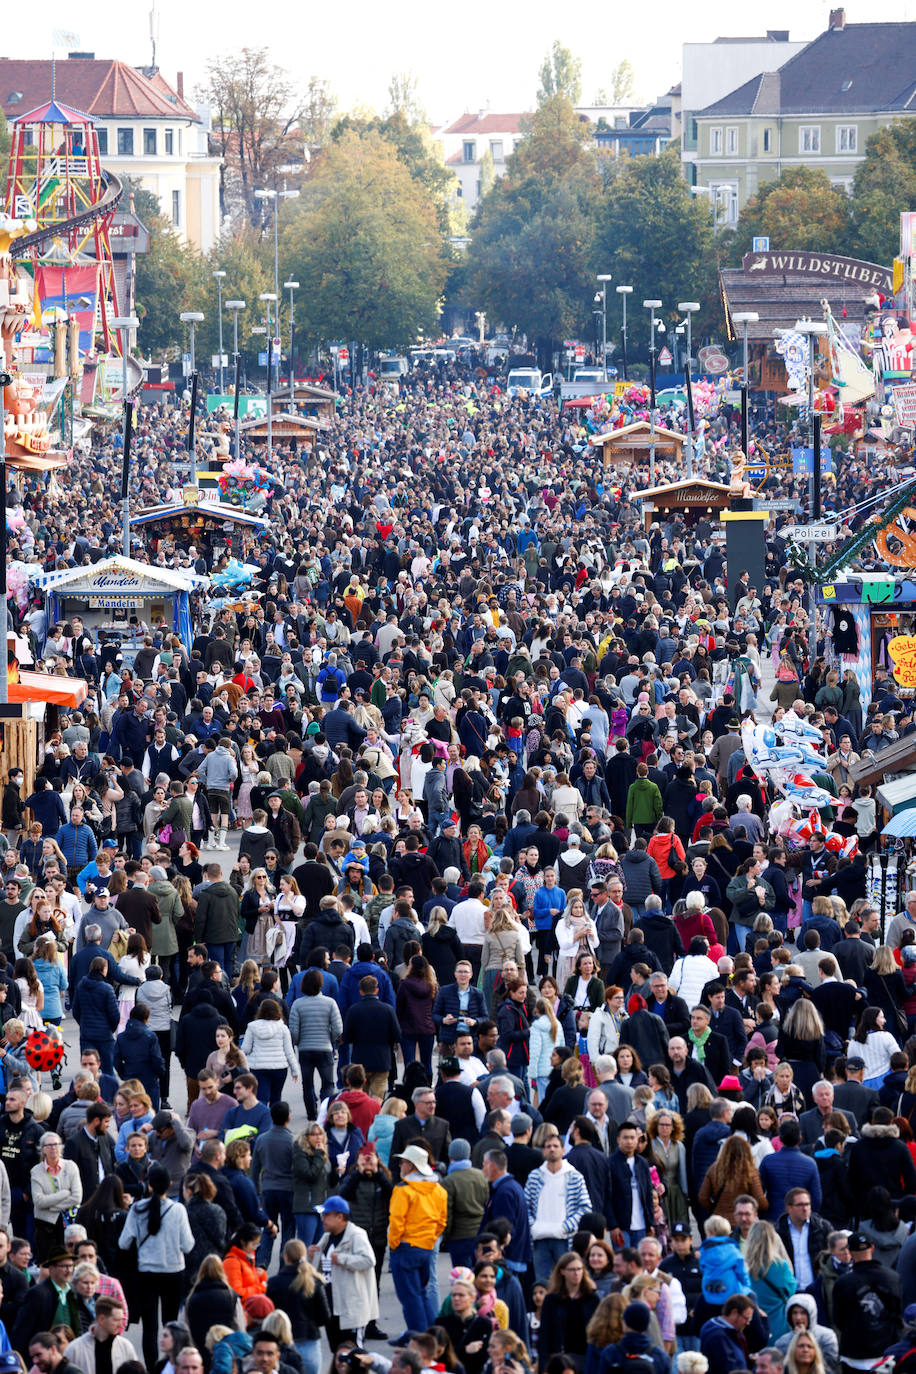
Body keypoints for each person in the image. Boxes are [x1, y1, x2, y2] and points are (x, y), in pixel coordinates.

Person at [117, 1163, 194, 1367]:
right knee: (171, 1324)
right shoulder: (178, 1210)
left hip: (146, 1273)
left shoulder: (137, 1209)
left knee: (149, 1327)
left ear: (148, 1185)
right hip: (173, 1271)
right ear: (170, 1184)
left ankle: (151, 1368)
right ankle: (171, 1365)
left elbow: (123, 1242)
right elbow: (187, 1245)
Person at [388, 1143, 448, 1338]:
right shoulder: (438, 1189)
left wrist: (394, 1245)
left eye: (403, 1162)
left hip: (405, 1247)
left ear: (411, 1165)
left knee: (410, 1299)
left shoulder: (403, 1189)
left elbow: (396, 1221)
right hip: (426, 1247)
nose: (400, 1166)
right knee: (420, 1295)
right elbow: (442, 1221)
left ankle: (419, 1341)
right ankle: (432, 1337)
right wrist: (430, 1239)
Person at [308, 1194, 378, 1347]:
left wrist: (342, 1259)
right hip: (331, 1306)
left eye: (326, 1215)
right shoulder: (326, 1237)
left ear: (340, 1217)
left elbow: (369, 1260)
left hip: (350, 1308)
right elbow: (318, 1269)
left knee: (353, 1353)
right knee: (336, 1352)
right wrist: (312, 1256)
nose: (322, 1219)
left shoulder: (357, 1235)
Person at [265, 1239, 331, 1374]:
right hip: (309, 1340)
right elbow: (324, 1317)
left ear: (286, 1257)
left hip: (282, 1343)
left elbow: (269, 1314)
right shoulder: (314, 1282)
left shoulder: (274, 1283)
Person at [538, 1252, 599, 1371]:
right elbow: (545, 1335)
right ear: (562, 1271)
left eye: (579, 1269)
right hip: (560, 1360)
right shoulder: (552, 1300)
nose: (576, 1273)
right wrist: (543, 1367)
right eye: (572, 1270)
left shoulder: (592, 1298)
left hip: (586, 1358)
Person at [64, 1297, 137, 1374]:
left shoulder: (126, 1347)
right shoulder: (74, 1349)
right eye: (116, 1320)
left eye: (121, 1320)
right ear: (101, 1319)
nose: (121, 1325)